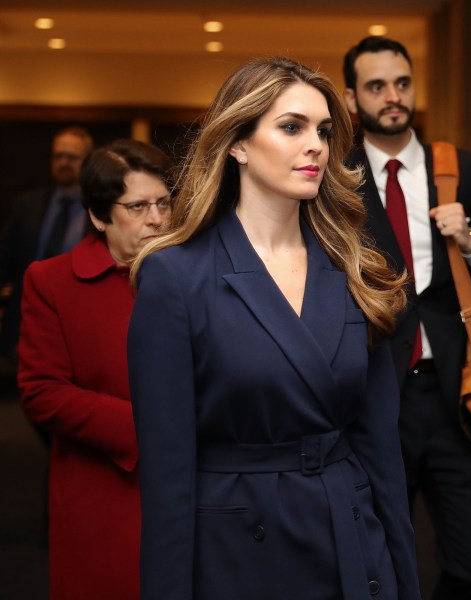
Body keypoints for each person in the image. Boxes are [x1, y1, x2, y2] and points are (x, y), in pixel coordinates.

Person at [127, 57, 420, 600]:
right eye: (292, 127)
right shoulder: (176, 276)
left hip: (350, 537)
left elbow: (381, 448)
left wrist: (404, 577)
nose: (316, 145)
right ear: (237, 143)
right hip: (240, 551)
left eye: (325, 131)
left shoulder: (357, 266)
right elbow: (167, 480)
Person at [343, 36, 471, 599]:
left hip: (458, 396)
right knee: (371, 557)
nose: (393, 97)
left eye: (402, 83)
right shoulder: (334, 178)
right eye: (376, 86)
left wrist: (470, 240)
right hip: (371, 393)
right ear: (352, 100)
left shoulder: (464, 170)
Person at [18, 138, 173, 600]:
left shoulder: (190, 273)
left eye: (164, 202)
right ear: (99, 215)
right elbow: (42, 392)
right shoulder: (52, 281)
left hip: (193, 481)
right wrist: (151, 428)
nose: (158, 219)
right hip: (103, 489)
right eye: (139, 205)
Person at [0, 126, 94, 362]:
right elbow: (5, 259)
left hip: (78, 327)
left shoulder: (99, 209)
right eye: (58, 156)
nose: (63, 162)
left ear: (87, 160)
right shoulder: (28, 204)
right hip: (24, 326)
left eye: (71, 157)